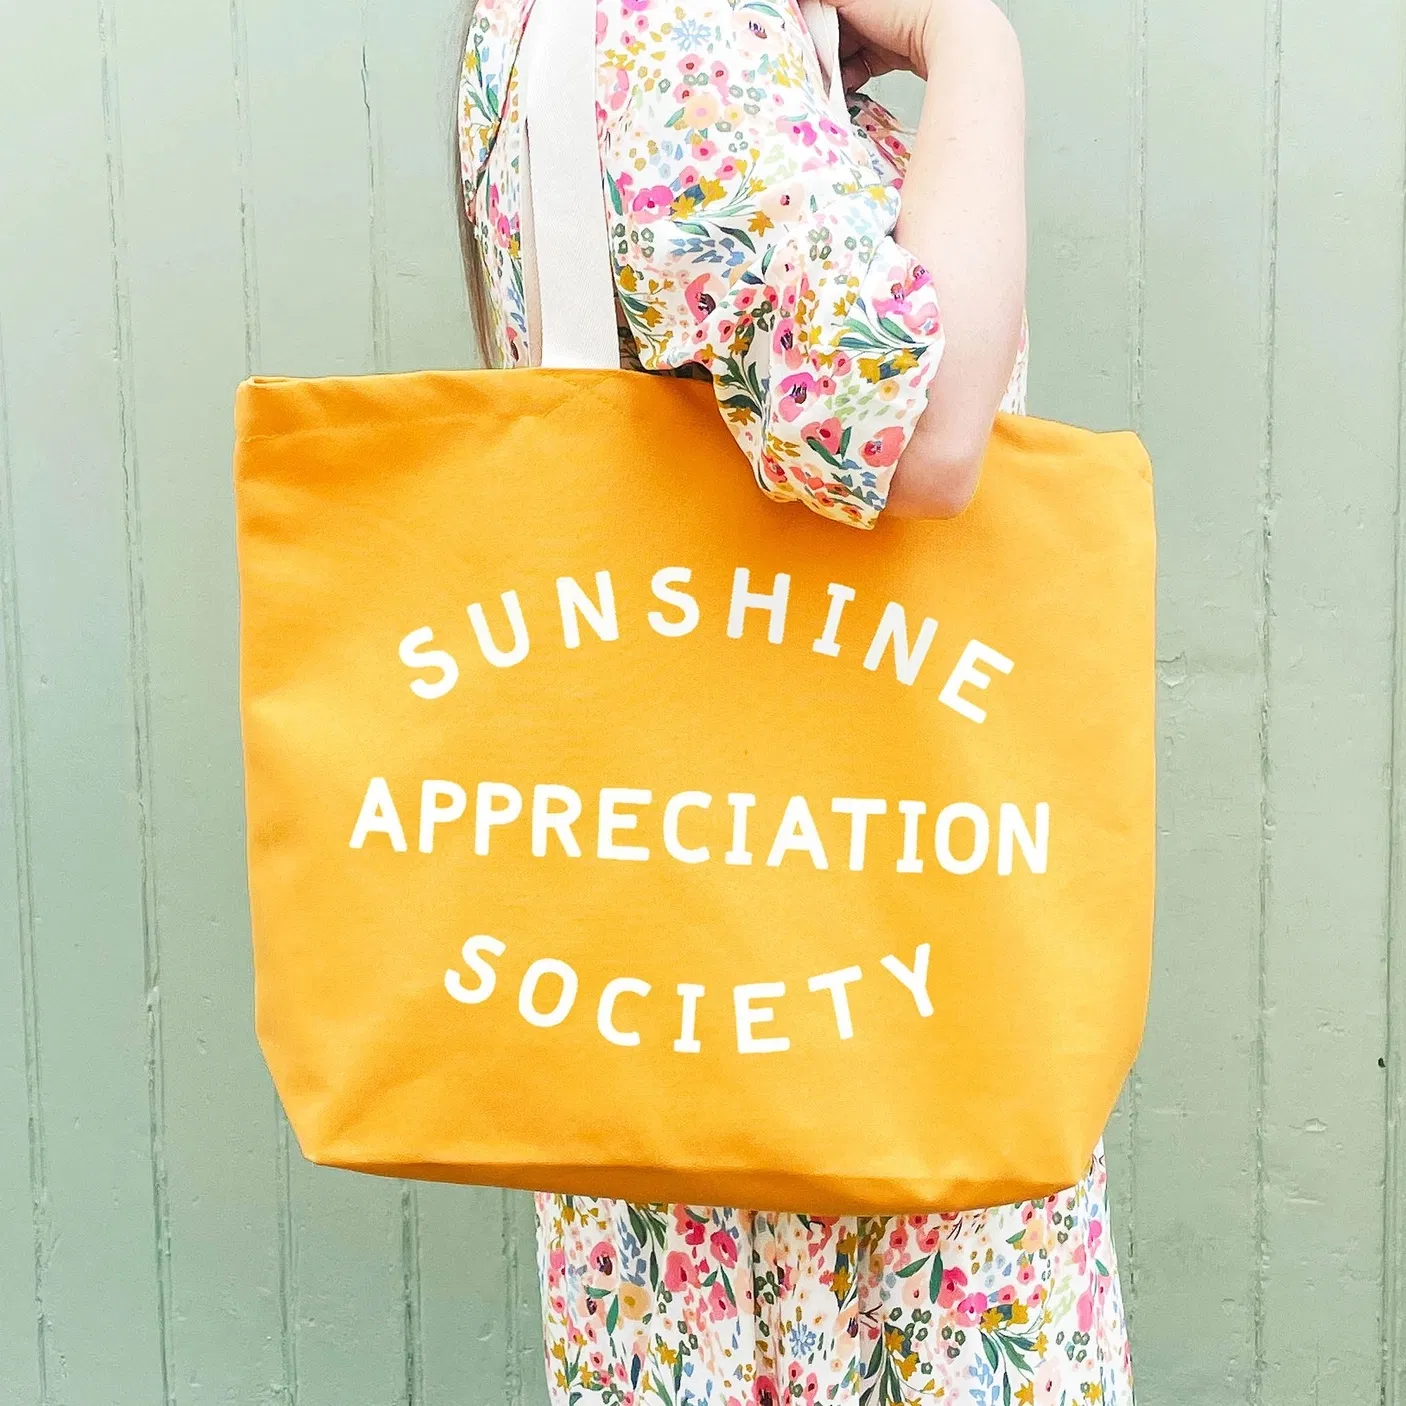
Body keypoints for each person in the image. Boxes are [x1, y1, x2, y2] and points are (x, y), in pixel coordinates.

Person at [457, 0, 1132, 1400]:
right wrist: (972, 38)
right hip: (828, 1048)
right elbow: (922, 422)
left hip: (726, 965)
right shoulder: (686, 26)